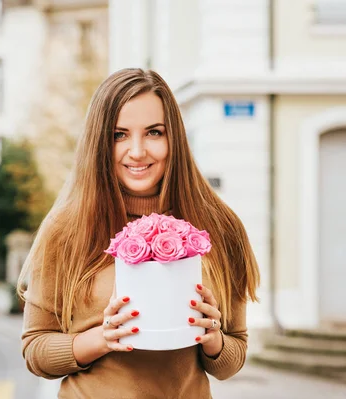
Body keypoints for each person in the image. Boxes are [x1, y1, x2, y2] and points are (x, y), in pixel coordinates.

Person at [17, 68, 260, 399]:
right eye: (119, 135)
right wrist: (100, 339)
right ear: (99, 143)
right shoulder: (66, 229)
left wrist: (213, 336)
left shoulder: (219, 225)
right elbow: (36, 349)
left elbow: (233, 358)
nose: (137, 151)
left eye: (154, 133)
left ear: (174, 137)